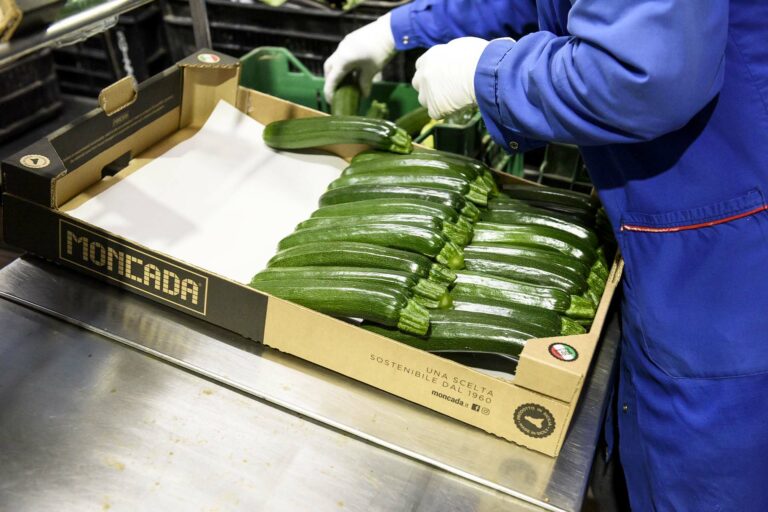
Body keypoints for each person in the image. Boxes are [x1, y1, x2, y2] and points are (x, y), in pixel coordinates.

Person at [323, 1, 768, 510]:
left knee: (711, 477)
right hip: (677, 229)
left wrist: (487, 74)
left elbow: (645, 77)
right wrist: (401, 26)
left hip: (731, 255)